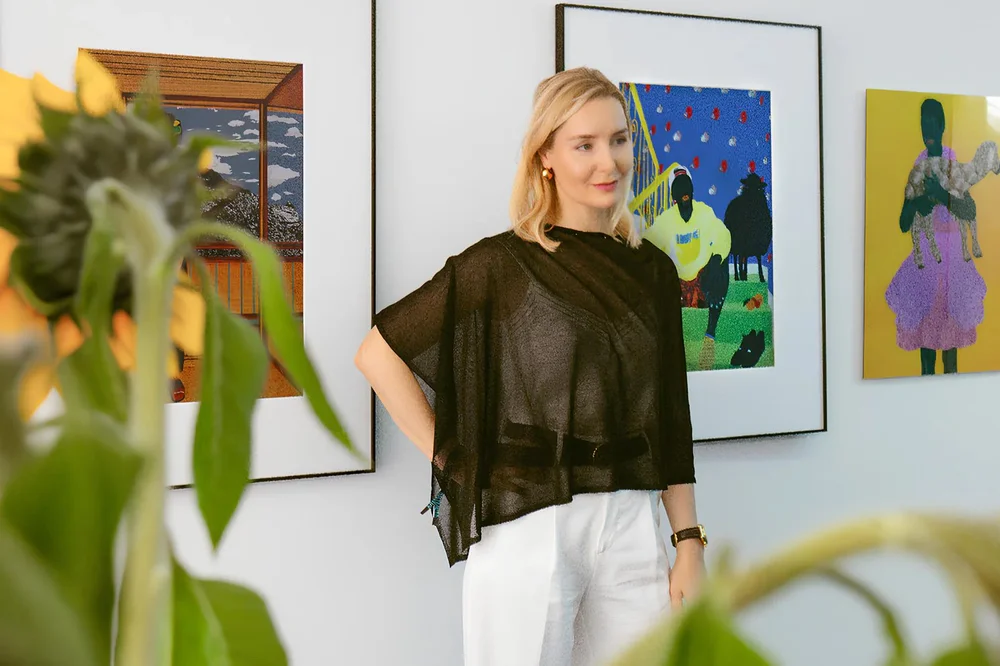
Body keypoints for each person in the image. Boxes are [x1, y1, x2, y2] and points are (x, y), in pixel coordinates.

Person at [354, 67, 706, 666]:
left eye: (619, 140)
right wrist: (454, 459)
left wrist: (689, 540)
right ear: (545, 156)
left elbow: (671, 416)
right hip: (530, 523)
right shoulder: (503, 265)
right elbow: (377, 353)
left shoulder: (653, 270)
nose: (609, 162)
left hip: (632, 519)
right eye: (584, 145)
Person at [885, 98, 988, 375]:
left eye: (933, 125)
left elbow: (968, 210)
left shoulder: (953, 165)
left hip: (953, 267)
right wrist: (918, 203)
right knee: (927, 353)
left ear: (942, 127)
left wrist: (941, 195)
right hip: (926, 270)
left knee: (950, 354)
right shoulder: (918, 168)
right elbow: (903, 223)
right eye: (924, 125)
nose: (928, 132)